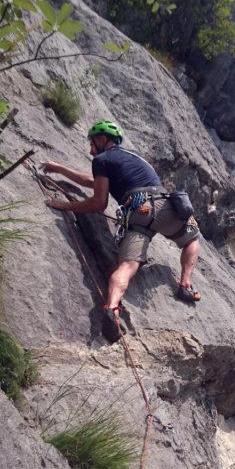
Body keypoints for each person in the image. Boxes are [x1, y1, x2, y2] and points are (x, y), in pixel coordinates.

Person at [40, 120, 201, 342]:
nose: (90, 149)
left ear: (103, 139)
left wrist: (66, 206)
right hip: (162, 207)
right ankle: (185, 285)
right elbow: (94, 182)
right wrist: (60, 169)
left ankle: (112, 306)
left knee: (126, 266)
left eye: (92, 142)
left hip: (135, 213)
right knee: (192, 238)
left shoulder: (102, 160)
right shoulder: (136, 158)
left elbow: (98, 202)